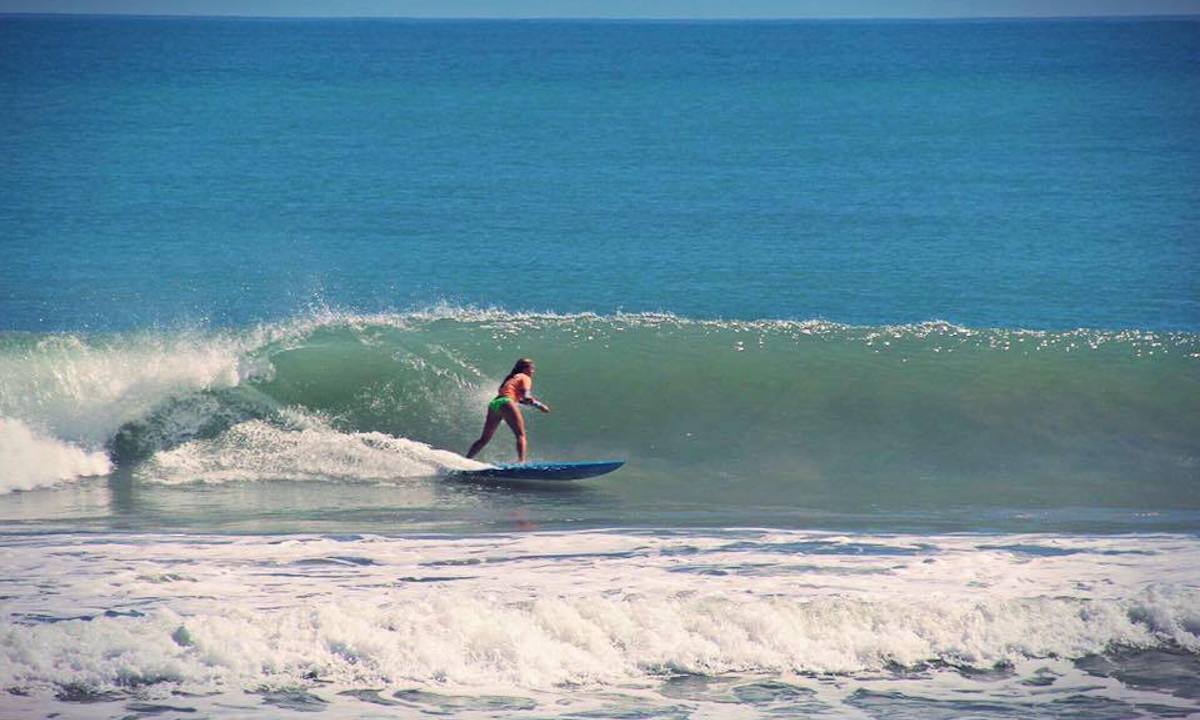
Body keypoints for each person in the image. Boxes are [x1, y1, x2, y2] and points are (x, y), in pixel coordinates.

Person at [466, 358, 551, 462]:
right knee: (521, 435)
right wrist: (539, 405)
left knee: (484, 438)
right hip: (506, 402)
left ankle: (467, 459)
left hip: (495, 403)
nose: (533, 371)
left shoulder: (511, 378)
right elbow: (526, 395)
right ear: (525, 369)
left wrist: (537, 405)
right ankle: (521, 463)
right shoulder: (525, 377)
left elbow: (519, 399)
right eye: (532, 368)